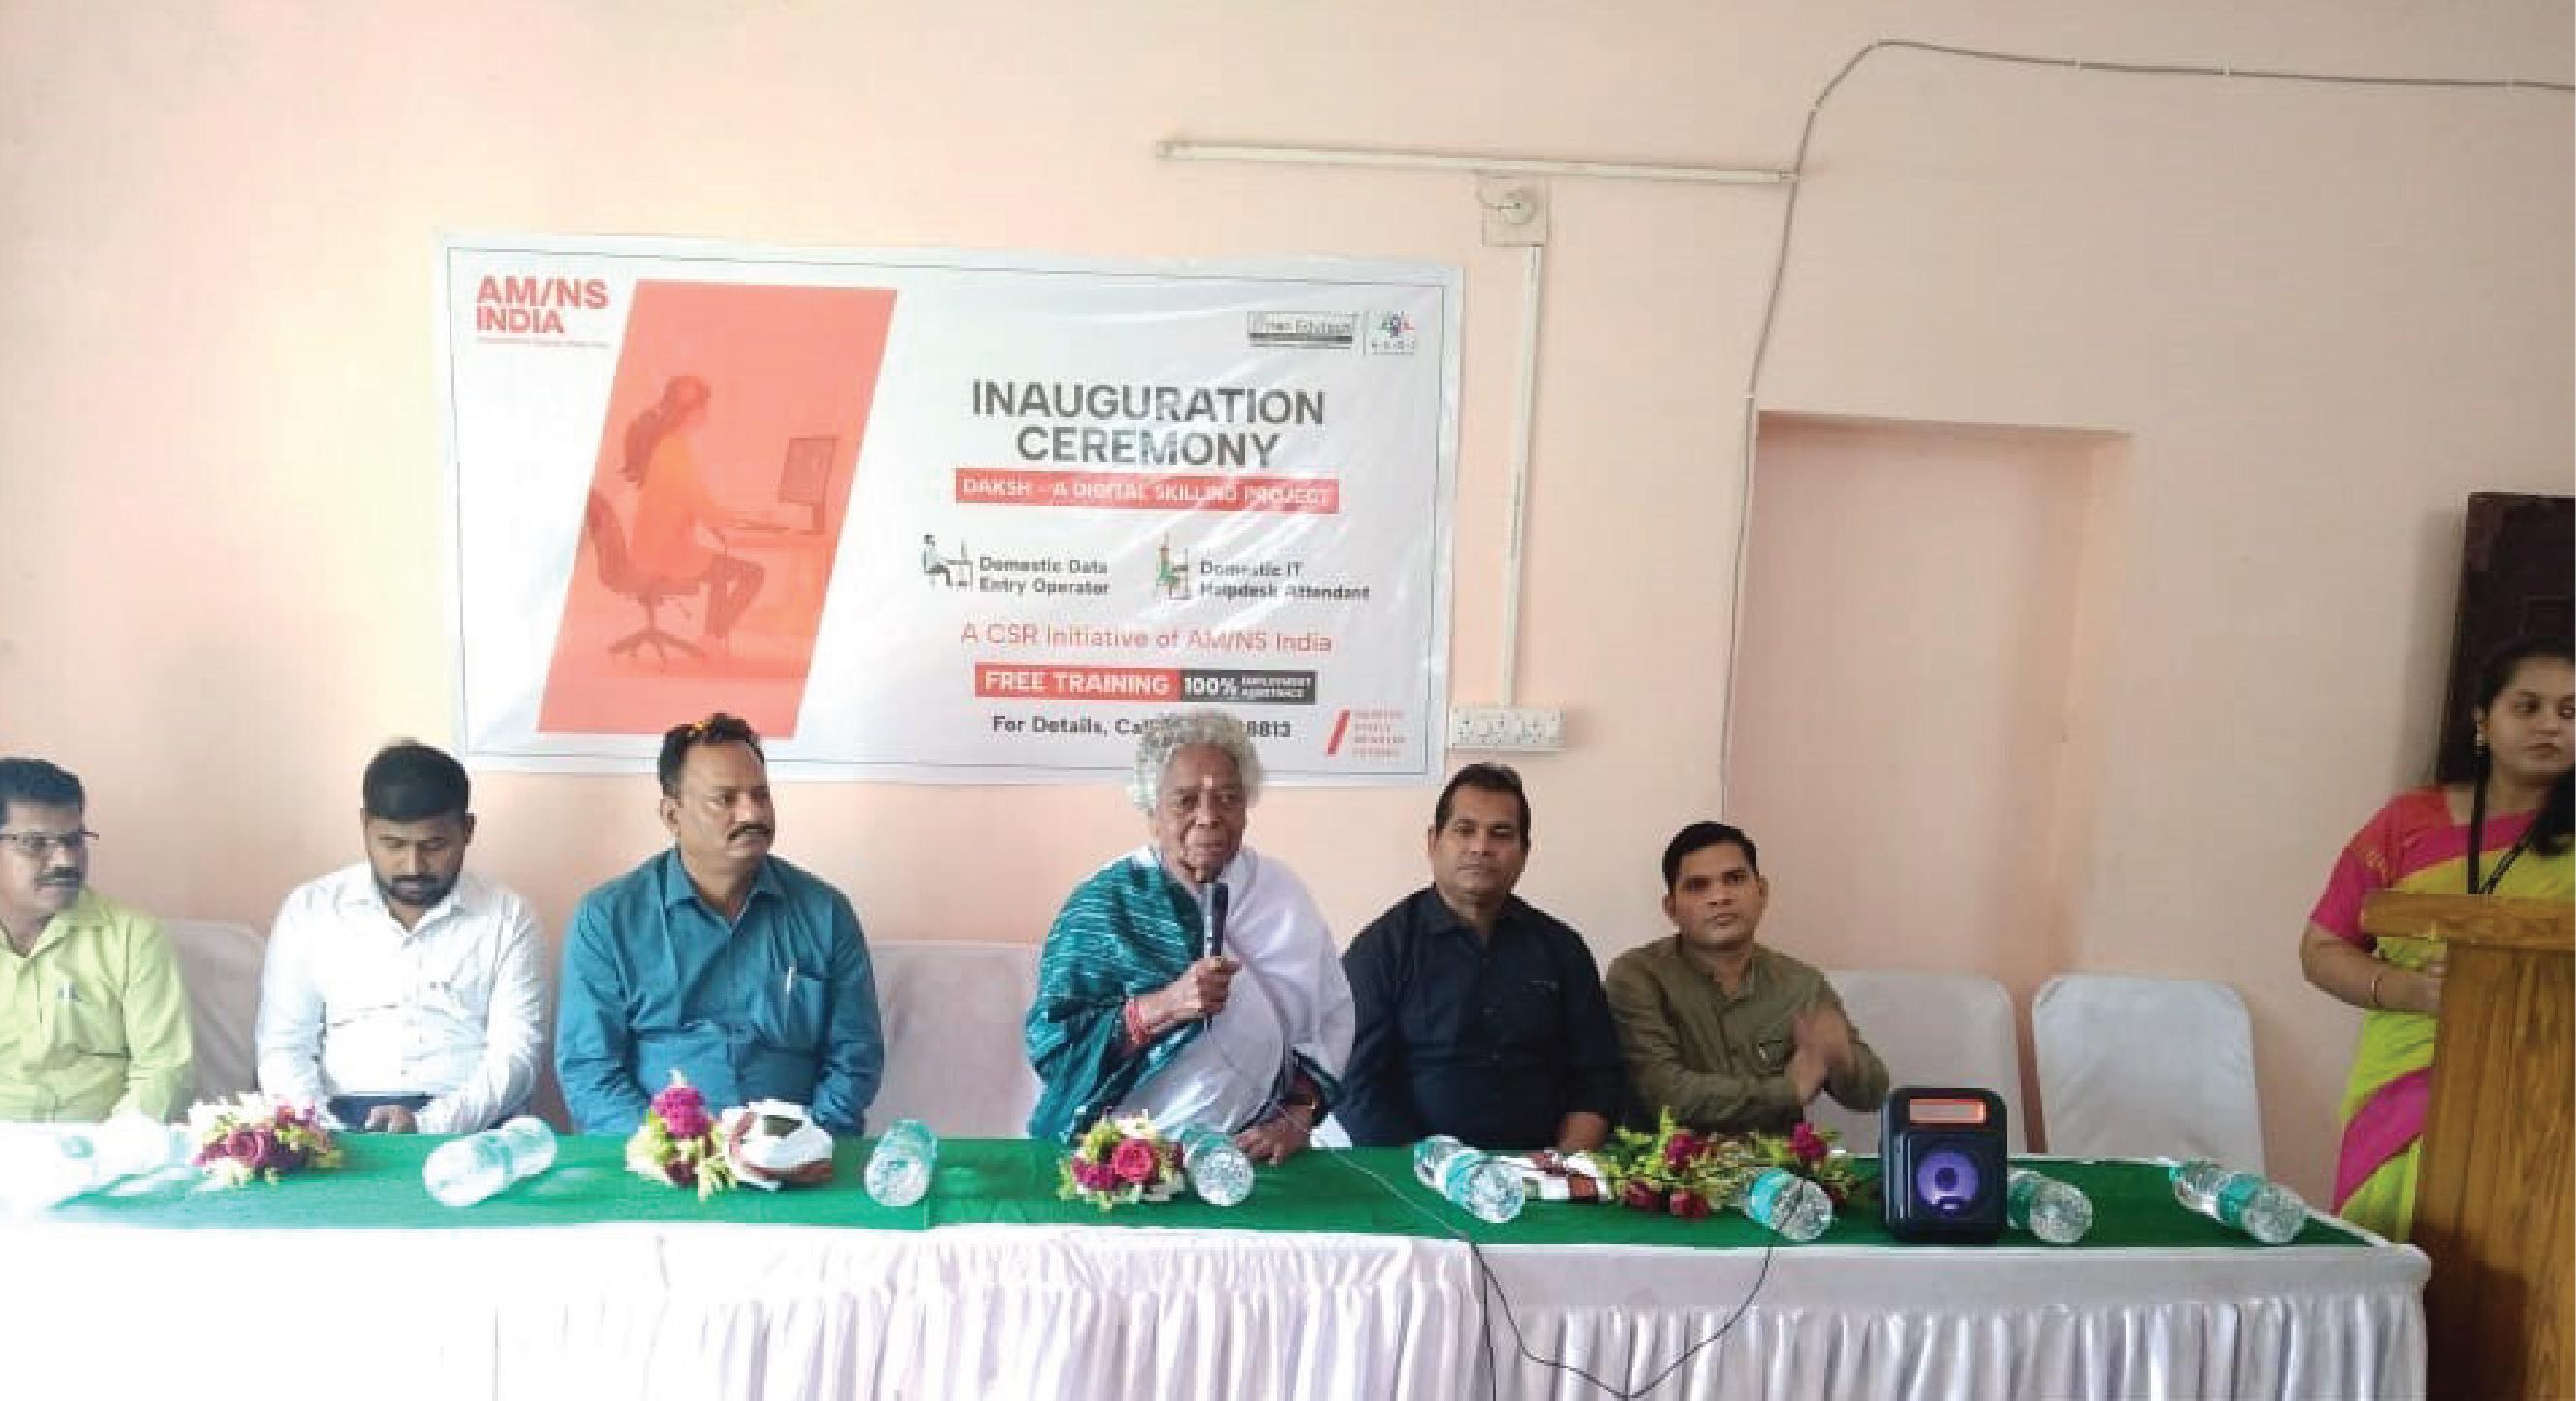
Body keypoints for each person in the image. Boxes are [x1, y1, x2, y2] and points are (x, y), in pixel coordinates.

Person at [2300, 636, 2573, 1240]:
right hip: (2404, 1075)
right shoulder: (2409, 822)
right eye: (2528, 707)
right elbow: (2321, 948)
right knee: (2392, 1248)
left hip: (2544, 1084)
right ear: (2483, 721)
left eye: (2570, 711)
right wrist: (2405, 989)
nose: (2551, 725)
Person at [1025, 710, 1352, 1164]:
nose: (1208, 818)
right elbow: (1054, 1046)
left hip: (1253, 1154)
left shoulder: (1280, 892)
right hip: (1126, 1158)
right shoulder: (1106, 903)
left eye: (1227, 799)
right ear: (1152, 811)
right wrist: (1163, 1007)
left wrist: (1297, 1116)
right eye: (1185, 801)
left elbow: (1331, 1018)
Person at [556, 713, 884, 1136]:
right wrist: (670, 1150)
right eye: (725, 799)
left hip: (797, 1154)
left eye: (760, 795)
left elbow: (855, 1058)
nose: (751, 812)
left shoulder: (825, 914)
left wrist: (804, 1141)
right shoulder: (609, 920)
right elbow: (589, 1073)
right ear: (672, 815)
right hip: (657, 1156)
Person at [254, 742, 546, 1133]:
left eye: (433, 846)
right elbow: (283, 1046)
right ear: (365, 826)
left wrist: (428, 1124)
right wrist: (323, 1131)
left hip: (469, 1124)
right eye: (392, 844)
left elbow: (518, 1055)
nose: (412, 866)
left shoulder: (508, 917)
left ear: (467, 830)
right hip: (338, 1120)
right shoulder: (311, 910)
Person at [1336, 763, 1622, 1151]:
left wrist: (1562, 1165)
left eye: (1501, 834)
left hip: (1541, 1170)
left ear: (1524, 852)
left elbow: (1597, 1076)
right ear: (1433, 842)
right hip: (1417, 1173)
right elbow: (1356, 1086)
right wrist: (1431, 1169)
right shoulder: (1382, 950)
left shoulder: (1562, 949)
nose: (1481, 847)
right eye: (1465, 829)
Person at [1604, 821, 1888, 1135]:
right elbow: (1663, 1094)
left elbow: (1872, 1096)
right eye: (1698, 886)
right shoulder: (1638, 976)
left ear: (1762, 891)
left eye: (1735, 879)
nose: (1719, 897)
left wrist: (1841, 1059)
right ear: (1671, 909)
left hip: (1776, 1165)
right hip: (1665, 1164)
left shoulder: (1800, 984)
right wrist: (1789, 1090)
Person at [0, 757, 190, 1120]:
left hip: (103, 1143)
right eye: (35, 843)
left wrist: (114, 1147)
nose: (64, 860)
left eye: (73, 840)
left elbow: (164, 1069)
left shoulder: (132, 937)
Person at [622, 374, 764, 647]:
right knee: (755, 573)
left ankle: (710, 638)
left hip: (654, 549)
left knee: (719, 568)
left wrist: (735, 515)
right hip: (666, 554)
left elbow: (697, 502)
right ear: (689, 413)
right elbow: (706, 511)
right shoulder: (672, 452)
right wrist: (750, 519)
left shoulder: (669, 446)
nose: (706, 414)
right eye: (704, 407)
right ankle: (712, 638)